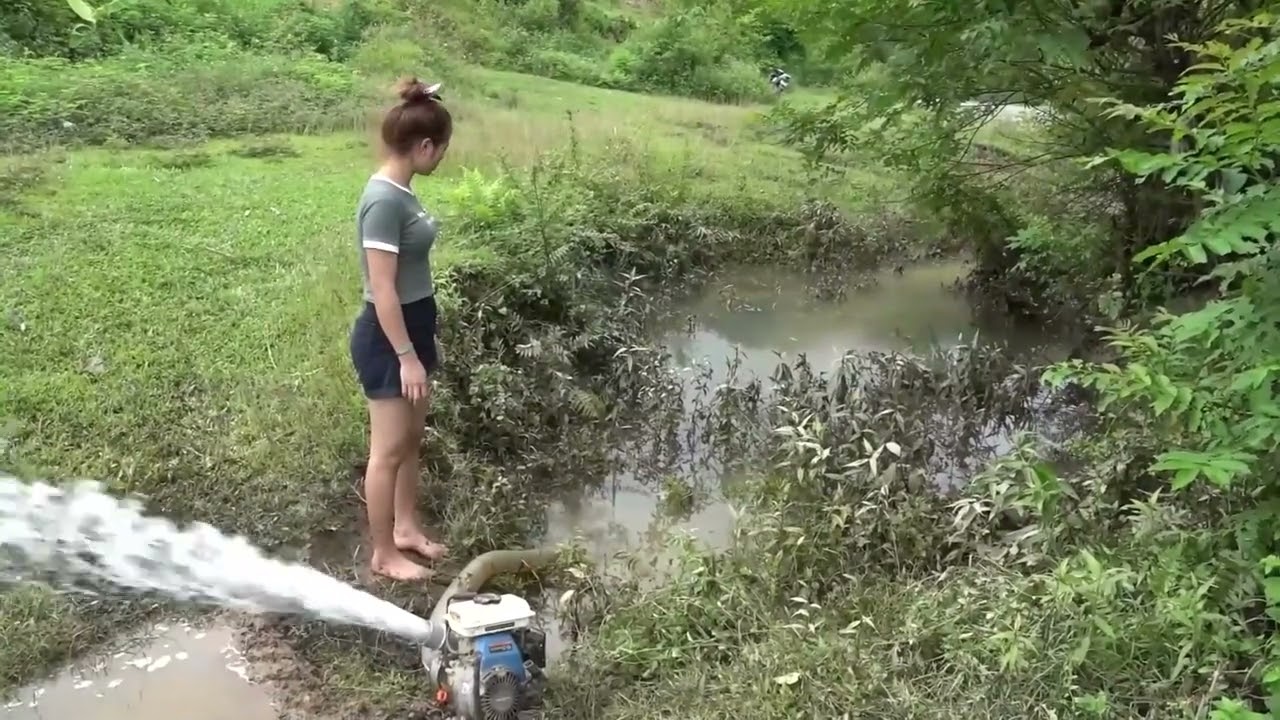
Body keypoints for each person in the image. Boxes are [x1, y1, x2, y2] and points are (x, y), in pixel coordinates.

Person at [349, 77, 453, 581]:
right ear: (425, 146)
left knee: (412, 440)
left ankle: (407, 529)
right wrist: (407, 356)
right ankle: (384, 553)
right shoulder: (383, 200)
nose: (443, 159)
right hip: (388, 338)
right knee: (387, 450)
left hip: (414, 325)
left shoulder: (403, 191)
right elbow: (383, 288)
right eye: (442, 149)